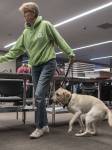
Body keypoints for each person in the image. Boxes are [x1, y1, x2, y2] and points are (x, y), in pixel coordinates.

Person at [0, 2, 75, 138]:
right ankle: (45, 125)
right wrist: (1, 59)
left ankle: (39, 127)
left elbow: (59, 39)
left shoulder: (45, 25)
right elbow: (15, 51)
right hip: (34, 66)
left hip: (48, 63)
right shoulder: (25, 32)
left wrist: (70, 52)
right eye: (23, 14)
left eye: (26, 13)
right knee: (39, 96)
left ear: (33, 13)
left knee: (39, 95)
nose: (24, 16)